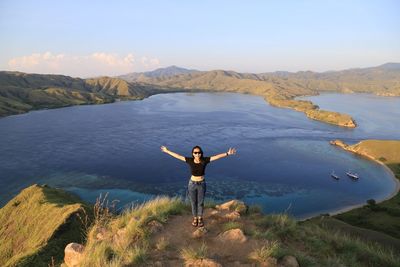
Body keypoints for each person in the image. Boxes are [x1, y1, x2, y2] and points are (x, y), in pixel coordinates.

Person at [160, 145, 237, 227]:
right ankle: (195, 218)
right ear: (193, 154)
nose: (197, 154)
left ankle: (200, 218)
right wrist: (167, 151)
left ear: (201, 153)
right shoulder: (190, 160)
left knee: (200, 203)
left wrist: (227, 153)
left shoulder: (205, 160)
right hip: (192, 184)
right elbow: (178, 156)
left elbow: (216, 157)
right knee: (193, 203)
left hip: (202, 184)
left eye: (199, 152)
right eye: (195, 153)